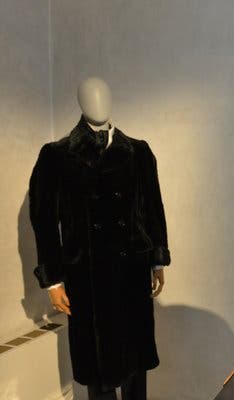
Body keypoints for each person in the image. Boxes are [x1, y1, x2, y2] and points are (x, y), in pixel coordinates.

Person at [29, 77, 170, 399]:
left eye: (103, 95)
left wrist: (157, 260)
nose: (98, 102)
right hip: (86, 277)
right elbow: (44, 221)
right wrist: (53, 280)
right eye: (91, 96)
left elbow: (153, 208)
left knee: (135, 368)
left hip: (132, 272)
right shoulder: (56, 156)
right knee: (98, 369)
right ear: (80, 102)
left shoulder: (139, 152)